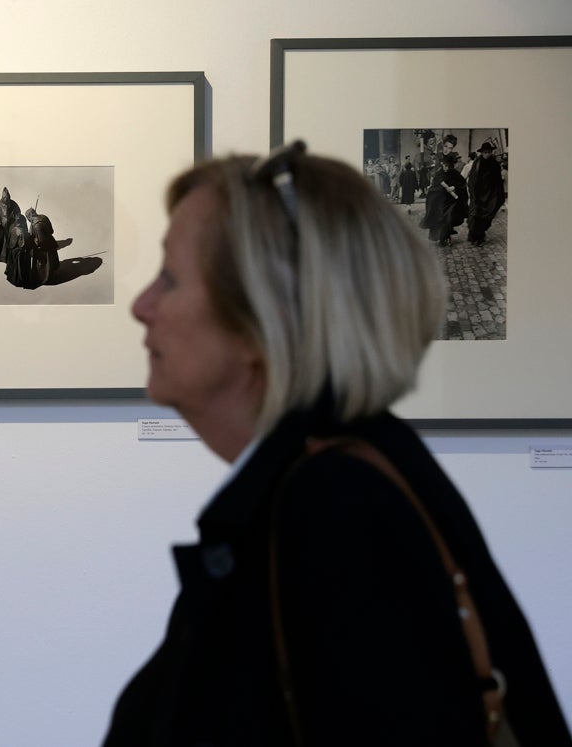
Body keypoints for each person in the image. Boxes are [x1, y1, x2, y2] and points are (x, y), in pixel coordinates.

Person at [103, 142, 571, 746]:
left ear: (263, 321)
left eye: (168, 277)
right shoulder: (337, 478)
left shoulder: (336, 506)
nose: (142, 307)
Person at [419, 152, 468, 246]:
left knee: (449, 218)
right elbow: (433, 189)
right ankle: (444, 238)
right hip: (441, 202)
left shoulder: (455, 174)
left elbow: (462, 185)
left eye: (448, 166)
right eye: (444, 166)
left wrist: (454, 188)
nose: (446, 168)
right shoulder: (439, 174)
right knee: (441, 220)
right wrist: (442, 189)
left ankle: (447, 236)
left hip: (452, 202)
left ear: (451, 166)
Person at [466, 140, 506, 247]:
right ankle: (475, 237)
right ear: (482, 153)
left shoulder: (495, 164)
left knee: (486, 217)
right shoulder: (477, 163)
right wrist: (473, 194)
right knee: (475, 216)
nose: (487, 154)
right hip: (478, 195)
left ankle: (480, 235)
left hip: (490, 195)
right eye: (485, 152)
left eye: (489, 152)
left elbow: (498, 181)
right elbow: (472, 180)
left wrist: (498, 195)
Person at [24, 206, 61, 285]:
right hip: (51, 242)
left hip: (44, 247)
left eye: (28, 218)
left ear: (29, 217)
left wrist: (34, 241)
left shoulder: (36, 226)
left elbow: (41, 241)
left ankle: (44, 278)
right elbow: (51, 231)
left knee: (44, 264)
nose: (28, 220)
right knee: (51, 262)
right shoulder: (44, 217)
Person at [0, 187, 21, 265]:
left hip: (10, 226)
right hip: (0, 226)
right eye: (4, 197)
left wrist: (14, 222)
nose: (6, 199)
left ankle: (7, 258)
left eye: (7, 197)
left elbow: (18, 213)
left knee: (10, 242)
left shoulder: (13, 204)